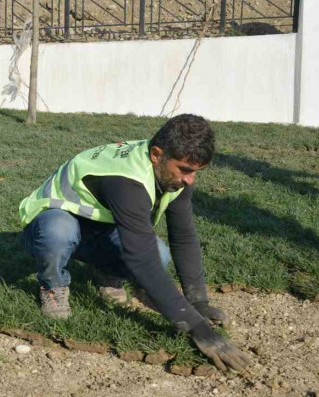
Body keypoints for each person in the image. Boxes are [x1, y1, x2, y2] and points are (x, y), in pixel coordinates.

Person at [18, 114, 250, 372]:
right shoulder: (126, 180)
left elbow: (183, 236)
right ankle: (53, 286)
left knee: (159, 254)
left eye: (195, 172)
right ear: (156, 154)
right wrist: (198, 329)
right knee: (59, 231)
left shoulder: (170, 172)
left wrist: (198, 303)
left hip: (96, 230)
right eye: (185, 170)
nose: (190, 180)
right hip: (46, 228)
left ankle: (104, 271)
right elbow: (140, 258)